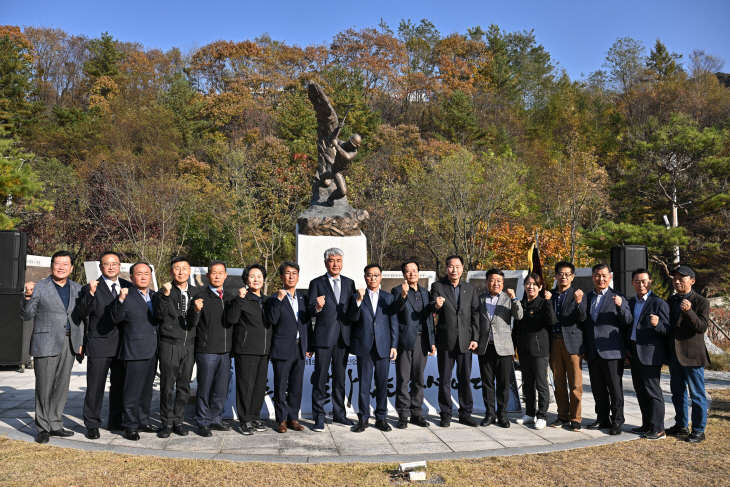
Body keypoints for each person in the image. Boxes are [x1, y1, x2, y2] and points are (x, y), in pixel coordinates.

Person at [20, 250, 84, 444]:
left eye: (66, 263)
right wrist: (28, 296)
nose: (61, 267)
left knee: (62, 386)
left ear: (72, 268)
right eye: (58, 263)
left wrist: (80, 342)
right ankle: (43, 427)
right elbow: (27, 315)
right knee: (44, 387)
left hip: (69, 342)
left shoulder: (79, 289)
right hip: (45, 342)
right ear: (51, 266)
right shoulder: (39, 287)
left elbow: (80, 318)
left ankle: (56, 424)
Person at [77, 251, 130, 439]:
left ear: (120, 266)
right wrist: (90, 293)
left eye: (115, 263)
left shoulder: (128, 286)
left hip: (123, 345)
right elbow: (82, 313)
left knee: (119, 385)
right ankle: (92, 424)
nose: (111, 267)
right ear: (101, 267)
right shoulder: (91, 287)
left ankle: (115, 420)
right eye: (107, 264)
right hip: (99, 344)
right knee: (95, 386)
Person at [307, 248, 356, 432]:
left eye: (338, 260)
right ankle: (318, 417)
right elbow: (310, 310)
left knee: (340, 378)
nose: (335, 264)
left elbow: (352, 311)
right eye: (331, 260)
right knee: (320, 378)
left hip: (343, 338)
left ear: (342, 262)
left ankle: (339, 414)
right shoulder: (316, 283)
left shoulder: (349, 283)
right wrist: (317, 307)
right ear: (326, 262)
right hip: (323, 338)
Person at [110, 262, 160, 441]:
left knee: (147, 389)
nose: (143, 277)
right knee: (131, 391)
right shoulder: (126, 295)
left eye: (146, 273)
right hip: (134, 350)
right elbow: (115, 318)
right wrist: (121, 300)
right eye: (139, 274)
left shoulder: (155, 296)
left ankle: (143, 420)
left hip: (152, 350)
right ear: (131, 277)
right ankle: (129, 425)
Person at [430, 255, 480, 428]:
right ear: (446, 268)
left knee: (465, 378)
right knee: (444, 378)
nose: (454, 270)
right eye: (451, 266)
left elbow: (475, 314)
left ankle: (466, 413)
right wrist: (435, 305)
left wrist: (475, 338)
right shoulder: (438, 286)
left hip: (466, 341)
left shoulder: (470, 288)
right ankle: (446, 413)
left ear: (462, 268)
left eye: (457, 266)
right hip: (445, 339)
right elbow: (431, 307)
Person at [348, 264, 399, 432]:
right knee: (364, 384)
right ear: (365, 277)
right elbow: (352, 319)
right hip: (364, 346)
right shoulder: (357, 296)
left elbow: (394, 323)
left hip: (384, 346)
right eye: (369, 275)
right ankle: (363, 419)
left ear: (381, 277)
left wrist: (394, 345)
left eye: (376, 275)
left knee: (382, 384)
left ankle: (381, 418)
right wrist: (358, 301)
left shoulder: (388, 298)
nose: (373, 278)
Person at [583, 263, 632, 436]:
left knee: (615, 388)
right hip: (593, 351)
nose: (601, 279)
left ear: (610, 277)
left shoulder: (618, 296)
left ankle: (617, 421)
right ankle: (602, 417)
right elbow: (585, 325)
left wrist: (620, 306)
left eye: (604, 276)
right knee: (597, 387)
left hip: (612, 351)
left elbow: (627, 320)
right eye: (597, 275)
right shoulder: (587, 297)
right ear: (593, 277)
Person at [154, 256, 199, 438]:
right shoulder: (163, 291)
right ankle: (166, 422)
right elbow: (159, 315)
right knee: (167, 386)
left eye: (184, 268)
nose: (181, 272)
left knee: (184, 386)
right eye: (177, 268)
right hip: (169, 345)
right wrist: (165, 295)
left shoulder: (196, 292)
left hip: (189, 346)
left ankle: (178, 421)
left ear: (190, 271)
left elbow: (196, 322)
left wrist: (195, 311)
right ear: (171, 271)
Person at [665, 265, 711, 443]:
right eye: (675, 279)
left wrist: (689, 311)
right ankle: (681, 425)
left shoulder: (701, 301)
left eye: (681, 279)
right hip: (675, 355)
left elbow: (701, 327)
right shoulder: (671, 300)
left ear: (692, 281)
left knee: (697, 394)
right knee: (677, 392)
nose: (677, 282)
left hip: (693, 356)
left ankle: (699, 430)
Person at [189, 260, 235, 437]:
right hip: (207, 351)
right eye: (213, 273)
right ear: (208, 276)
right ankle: (202, 422)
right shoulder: (200, 297)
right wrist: (195, 310)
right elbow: (192, 323)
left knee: (220, 388)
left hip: (225, 352)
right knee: (205, 388)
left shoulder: (230, 298)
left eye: (220, 272)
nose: (217, 276)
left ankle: (216, 419)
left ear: (225, 275)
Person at [227, 263, 272, 435]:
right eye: (252, 276)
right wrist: (239, 299)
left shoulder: (267, 300)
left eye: (259, 276)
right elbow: (231, 319)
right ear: (246, 279)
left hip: (264, 350)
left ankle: (254, 416)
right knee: (246, 386)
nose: (256, 279)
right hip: (246, 349)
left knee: (259, 387)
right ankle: (244, 420)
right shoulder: (241, 298)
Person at [265, 262, 310, 434]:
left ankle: (293, 418)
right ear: (282, 277)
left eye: (294, 273)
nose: (291, 276)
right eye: (287, 273)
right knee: (280, 385)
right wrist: (279, 299)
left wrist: (308, 346)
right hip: (282, 349)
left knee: (296, 386)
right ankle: (281, 420)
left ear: (298, 276)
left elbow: (306, 325)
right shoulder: (274, 298)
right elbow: (272, 320)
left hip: (300, 349)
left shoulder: (303, 299)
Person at [476, 269, 523, 428]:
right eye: (492, 280)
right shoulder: (480, 299)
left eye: (498, 281)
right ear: (487, 282)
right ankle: (490, 414)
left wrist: (515, 299)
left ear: (503, 283)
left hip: (503, 347)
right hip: (485, 347)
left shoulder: (508, 298)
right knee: (487, 383)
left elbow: (519, 316)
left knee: (503, 384)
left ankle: (503, 415)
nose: (495, 283)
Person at [391, 260, 436, 429]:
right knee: (403, 379)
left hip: (422, 341)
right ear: (404, 274)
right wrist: (403, 296)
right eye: (408, 271)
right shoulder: (398, 290)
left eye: (414, 270)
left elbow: (429, 320)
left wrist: (432, 342)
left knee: (418, 379)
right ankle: (403, 415)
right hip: (404, 341)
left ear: (419, 272)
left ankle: (417, 414)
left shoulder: (425, 293)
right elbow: (395, 310)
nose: (412, 273)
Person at [627, 268, 670, 440]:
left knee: (653, 392)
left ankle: (659, 429)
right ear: (632, 283)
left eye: (644, 281)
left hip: (651, 354)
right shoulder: (631, 302)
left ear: (650, 282)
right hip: (634, 352)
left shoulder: (659, 303)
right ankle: (647, 424)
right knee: (640, 391)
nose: (641, 284)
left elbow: (668, 329)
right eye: (637, 281)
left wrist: (658, 324)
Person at [512, 273, 555, 430]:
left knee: (541, 385)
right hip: (523, 351)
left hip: (539, 351)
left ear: (540, 287)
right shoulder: (521, 304)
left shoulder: (544, 304)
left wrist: (549, 302)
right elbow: (515, 328)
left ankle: (542, 415)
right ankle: (529, 412)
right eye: (528, 284)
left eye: (534, 284)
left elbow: (552, 321)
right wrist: (513, 347)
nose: (531, 287)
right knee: (527, 383)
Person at [548, 261, 587, 431]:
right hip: (553, 343)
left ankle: (575, 418)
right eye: (560, 273)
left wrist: (578, 303)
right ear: (556, 275)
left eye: (567, 274)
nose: (563, 276)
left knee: (576, 384)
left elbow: (583, 318)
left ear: (572, 277)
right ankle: (562, 415)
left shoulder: (578, 295)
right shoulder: (549, 295)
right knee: (558, 383)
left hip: (573, 345)